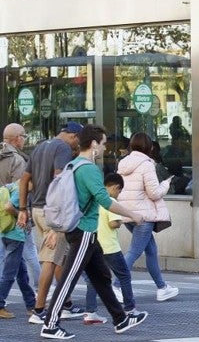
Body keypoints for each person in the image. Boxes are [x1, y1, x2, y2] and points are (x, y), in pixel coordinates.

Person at [37, 124, 148, 339]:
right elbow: (105, 200)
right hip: (84, 231)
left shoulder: (74, 165)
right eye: (104, 143)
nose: (106, 148)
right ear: (94, 144)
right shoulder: (89, 169)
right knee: (69, 278)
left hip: (84, 231)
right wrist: (133, 215)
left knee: (102, 277)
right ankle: (50, 324)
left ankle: (121, 319)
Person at [17, 122, 86, 324]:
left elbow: (24, 180)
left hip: (37, 209)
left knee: (58, 258)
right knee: (50, 259)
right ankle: (39, 310)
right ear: (73, 136)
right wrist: (61, 217)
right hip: (53, 211)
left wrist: (23, 209)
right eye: (78, 141)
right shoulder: (63, 148)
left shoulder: (40, 146)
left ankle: (66, 304)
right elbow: (60, 180)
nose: (77, 146)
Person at [116, 132, 179, 301]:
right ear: (148, 147)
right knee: (135, 252)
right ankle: (115, 286)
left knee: (151, 250)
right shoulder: (146, 164)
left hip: (127, 213)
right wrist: (165, 184)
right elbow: (154, 193)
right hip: (143, 216)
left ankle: (162, 287)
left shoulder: (123, 163)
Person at [83, 173, 140, 324]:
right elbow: (113, 223)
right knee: (124, 276)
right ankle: (130, 308)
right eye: (119, 191)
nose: (118, 194)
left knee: (95, 280)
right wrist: (122, 220)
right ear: (115, 187)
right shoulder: (110, 201)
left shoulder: (94, 199)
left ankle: (90, 312)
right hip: (110, 247)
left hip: (95, 246)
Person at [0, 123, 40, 290]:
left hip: (1, 214)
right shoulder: (17, 160)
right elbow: (22, 189)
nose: (24, 140)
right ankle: (41, 290)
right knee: (30, 252)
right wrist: (24, 213)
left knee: (5, 256)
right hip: (14, 213)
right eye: (23, 136)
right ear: (17, 139)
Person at [0, 182, 36, 319]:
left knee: (22, 274)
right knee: (9, 274)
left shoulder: (10, 186)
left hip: (5, 232)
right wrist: (22, 216)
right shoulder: (21, 189)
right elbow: (8, 207)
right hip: (15, 236)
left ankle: (31, 304)